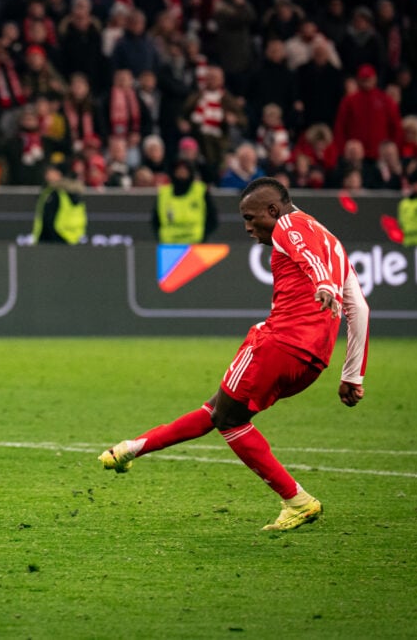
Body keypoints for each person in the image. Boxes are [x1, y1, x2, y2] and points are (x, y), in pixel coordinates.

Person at [100, 178, 370, 532]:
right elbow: (360, 309)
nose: (247, 227)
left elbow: (309, 260)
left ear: (273, 210)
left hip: (279, 343)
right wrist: (352, 375)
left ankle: (296, 499)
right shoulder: (329, 240)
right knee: (221, 410)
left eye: (250, 217)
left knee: (227, 419)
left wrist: (322, 284)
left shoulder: (290, 225)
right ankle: (131, 449)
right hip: (311, 362)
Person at [152, 159, 217, 243]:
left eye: (184, 171)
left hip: (195, 243)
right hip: (169, 244)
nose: (182, 174)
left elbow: (212, 217)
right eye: (179, 171)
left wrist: (203, 236)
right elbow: (155, 220)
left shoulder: (200, 191)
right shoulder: (164, 193)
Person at [31, 166, 87, 244]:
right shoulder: (48, 191)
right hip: (54, 237)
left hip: (61, 236)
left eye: (51, 172)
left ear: (59, 173)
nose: (47, 176)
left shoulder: (65, 192)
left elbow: (50, 217)